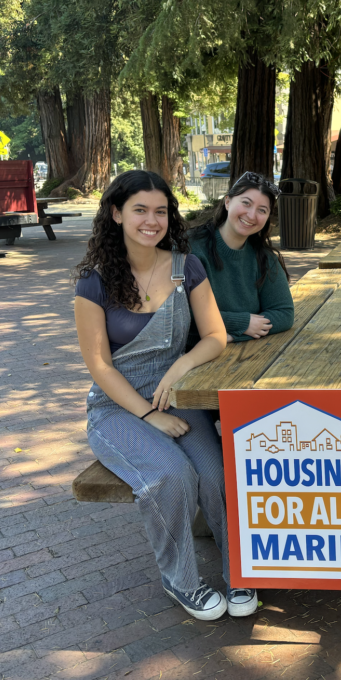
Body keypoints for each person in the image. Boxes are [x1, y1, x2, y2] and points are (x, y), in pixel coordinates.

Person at [73, 170, 256, 622]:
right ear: (116, 214)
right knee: (171, 475)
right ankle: (182, 581)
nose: (151, 221)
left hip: (177, 394)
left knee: (217, 475)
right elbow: (99, 366)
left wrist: (181, 365)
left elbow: (215, 336)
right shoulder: (92, 283)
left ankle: (241, 572)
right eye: (139, 210)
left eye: (160, 211)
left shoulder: (186, 267)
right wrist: (147, 415)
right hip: (118, 409)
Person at [189, 171, 294, 345]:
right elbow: (182, 314)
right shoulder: (192, 248)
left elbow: (284, 313)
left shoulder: (264, 257)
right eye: (246, 203)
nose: (252, 215)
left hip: (245, 354)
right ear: (228, 202)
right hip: (190, 353)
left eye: (262, 210)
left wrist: (235, 335)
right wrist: (242, 323)